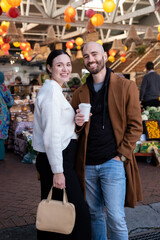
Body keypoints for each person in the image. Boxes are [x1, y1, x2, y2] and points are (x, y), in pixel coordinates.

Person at [71, 42, 143, 240]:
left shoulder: (126, 87)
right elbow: (74, 129)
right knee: (94, 215)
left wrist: (121, 155)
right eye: (86, 56)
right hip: (88, 164)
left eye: (94, 54)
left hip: (113, 162)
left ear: (104, 55)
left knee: (116, 217)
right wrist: (77, 124)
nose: (90, 59)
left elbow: (136, 126)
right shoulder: (79, 93)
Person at [32, 50, 91, 240]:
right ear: (49, 68)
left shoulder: (55, 90)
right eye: (59, 65)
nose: (65, 69)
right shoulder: (51, 93)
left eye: (67, 64)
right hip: (58, 161)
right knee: (77, 214)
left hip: (59, 159)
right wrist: (58, 170)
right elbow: (51, 135)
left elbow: (58, 126)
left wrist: (76, 121)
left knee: (57, 211)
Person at [0, 72, 14, 160]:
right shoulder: (3, 88)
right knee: (1, 137)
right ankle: (0, 156)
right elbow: (10, 102)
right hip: (1, 116)